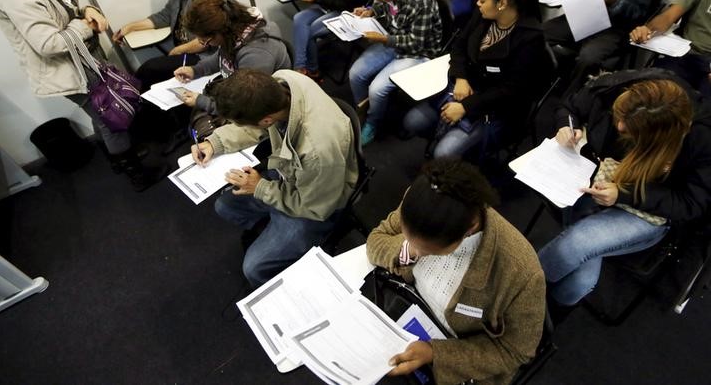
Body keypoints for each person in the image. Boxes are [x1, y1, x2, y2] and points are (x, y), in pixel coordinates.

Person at [0, 0, 168, 191]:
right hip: (69, 70)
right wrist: (85, 24)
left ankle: (118, 158)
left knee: (102, 116)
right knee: (111, 121)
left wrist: (87, 10)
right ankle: (135, 173)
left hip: (84, 63)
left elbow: (67, 10)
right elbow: (48, 43)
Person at [539, 71, 711, 307]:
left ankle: (516, 292)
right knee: (578, 284)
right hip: (599, 179)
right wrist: (567, 127)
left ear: (660, 137)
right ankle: (538, 316)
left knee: (577, 244)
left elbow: (690, 204)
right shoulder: (621, 89)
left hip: (648, 208)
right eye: (619, 116)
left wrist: (624, 194)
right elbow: (570, 106)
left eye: (632, 129)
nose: (619, 125)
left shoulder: (702, 138)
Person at [366, 158, 545, 385]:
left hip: (460, 353)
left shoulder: (520, 270)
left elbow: (515, 351)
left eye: (429, 251)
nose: (416, 254)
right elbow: (377, 239)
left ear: (469, 229)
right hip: (412, 309)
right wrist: (408, 250)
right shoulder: (425, 202)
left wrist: (436, 353)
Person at [189, 69, 358, 287]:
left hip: (317, 205)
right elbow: (256, 129)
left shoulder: (318, 149)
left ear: (267, 119)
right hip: (290, 177)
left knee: (254, 268)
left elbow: (316, 207)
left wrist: (260, 188)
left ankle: (285, 289)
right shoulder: (282, 82)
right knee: (225, 205)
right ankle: (274, 230)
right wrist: (215, 143)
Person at [403, 0, 552, 159]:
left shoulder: (530, 38)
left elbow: (511, 91)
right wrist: (461, 77)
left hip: (497, 108)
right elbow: (459, 46)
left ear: (502, 3)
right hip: (464, 87)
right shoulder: (485, 16)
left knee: (443, 153)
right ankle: (449, 137)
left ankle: (461, 154)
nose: (478, 3)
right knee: (411, 122)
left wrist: (466, 106)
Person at [113, 0, 231, 90]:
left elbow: (209, 38)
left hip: (207, 56)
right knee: (150, 72)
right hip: (188, 51)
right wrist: (130, 27)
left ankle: (132, 104)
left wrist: (179, 50)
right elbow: (165, 16)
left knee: (149, 70)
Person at [349, 0, 442, 145]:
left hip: (418, 52)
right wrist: (371, 11)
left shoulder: (420, 0)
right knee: (355, 74)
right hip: (393, 39)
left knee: (377, 89)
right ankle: (364, 111)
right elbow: (384, 7)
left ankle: (373, 123)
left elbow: (416, 43)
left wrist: (384, 39)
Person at [172, 0, 291, 115]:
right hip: (242, 96)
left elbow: (244, 106)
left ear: (220, 33)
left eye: (205, 41)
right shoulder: (234, 35)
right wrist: (195, 70)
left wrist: (202, 102)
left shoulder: (256, 55)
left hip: (262, 110)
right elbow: (221, 58)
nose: (203, 43)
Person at [630, 0, 711, 97]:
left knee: (703, 111)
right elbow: (668, 17)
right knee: (651, 92)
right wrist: (647, 29)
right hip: (687, 54)